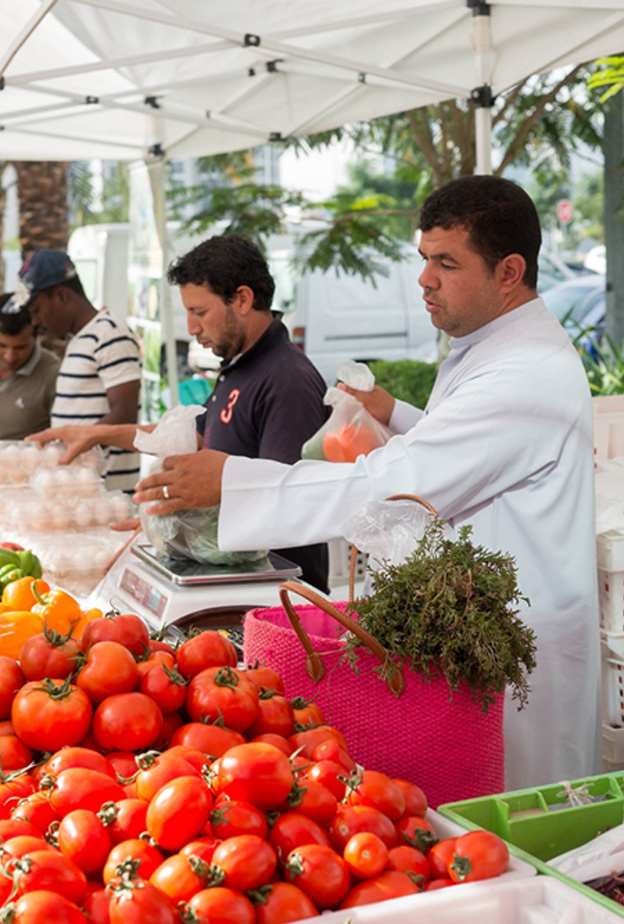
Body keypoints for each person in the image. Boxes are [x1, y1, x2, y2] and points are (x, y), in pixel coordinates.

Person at [133, 176, 601, 792]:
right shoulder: (495, 346)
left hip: (519, 640)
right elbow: (464, 445)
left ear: (509, 271)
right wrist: (394, 414)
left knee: (519, 821)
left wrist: (235, 483)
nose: (424, 279)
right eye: (423, 258)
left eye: (446, 262)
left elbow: (393, 486)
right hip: (482, 618)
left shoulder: (527, 370)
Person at [29, 235, 331, 593]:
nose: (191, 328)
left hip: (281, 595)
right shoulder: (239, 365)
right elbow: (192, 436)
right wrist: (95, 435)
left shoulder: (286, 379)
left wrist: (181, 523)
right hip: (234, 581)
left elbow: (288, 497)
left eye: (199, 312)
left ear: (243, 299)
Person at [6, 250, 141, 493]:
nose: (35, 321)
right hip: (81, 488)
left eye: (36, 310)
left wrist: (79, 441)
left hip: (108, 492)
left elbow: (125, 412)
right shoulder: (83, 338)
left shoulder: (109, 334)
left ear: (61, 295)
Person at [0, 294, 60, 440]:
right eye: (2, 346)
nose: (10, 357)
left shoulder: (55, 375)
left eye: (20, 348)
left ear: (36, 335)